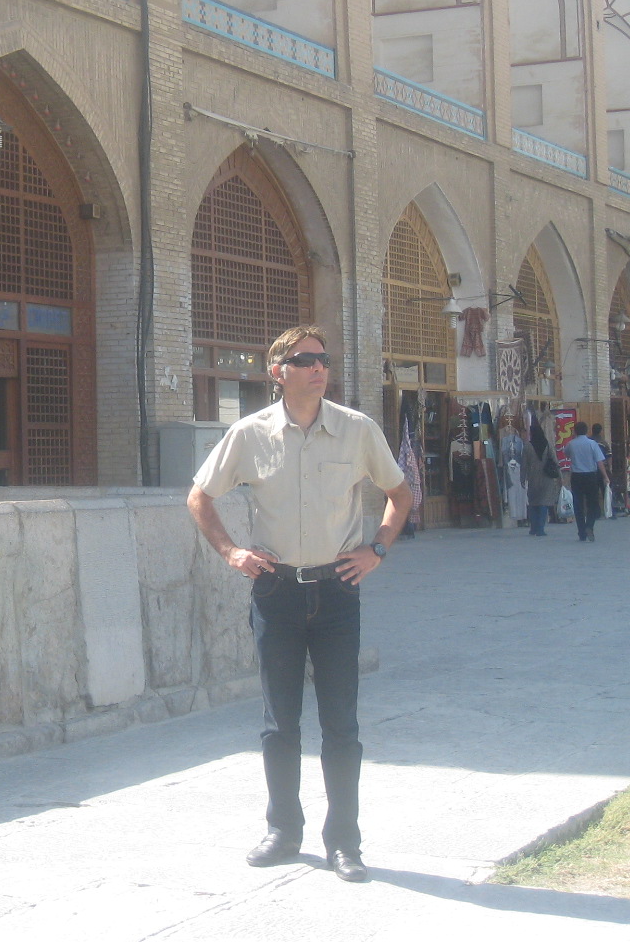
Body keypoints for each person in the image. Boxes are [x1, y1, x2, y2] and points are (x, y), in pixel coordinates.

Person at [187, 325, 411, 883]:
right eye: (306, 360)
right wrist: (232, 552)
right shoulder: (249, 434)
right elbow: (199, 497)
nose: (319, 368)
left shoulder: (357, 429)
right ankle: (283, 831)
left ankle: (344, 843)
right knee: (279, 723)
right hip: (277, 592)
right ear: (277, 372)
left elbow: (400, 494)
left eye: (324, 360)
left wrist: (377, 549)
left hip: (336, 591)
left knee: (341, 725)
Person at [565, 422, 609, 542]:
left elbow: (567, 454)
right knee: (593, 504)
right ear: (586, 431)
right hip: (591, 476)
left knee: (578, 505)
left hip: (576, 477)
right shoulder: (592, 444)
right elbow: (599, 462)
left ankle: (581, 532)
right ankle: (589, 525)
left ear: (575, 431)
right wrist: (605, 476)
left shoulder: (571, 444)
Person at [524, 420, 561, 537]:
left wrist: (522, 478)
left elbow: (524, 464)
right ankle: (540, 529)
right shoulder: (547, 444)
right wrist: (559, 476)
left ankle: (533, 528)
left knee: (533, 503)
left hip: (533, 478)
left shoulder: (527, 446)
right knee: (543, 503)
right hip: (546, 478)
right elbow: (555, 460)